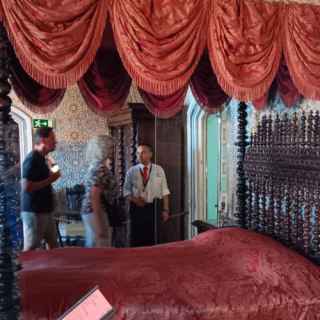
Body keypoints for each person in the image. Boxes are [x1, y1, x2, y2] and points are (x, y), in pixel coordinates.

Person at [21, 128, 61, 251]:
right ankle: (22, 270)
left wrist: (53, 163)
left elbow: (57, 173)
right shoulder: (32, 158)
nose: (56, 142)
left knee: (53, 246)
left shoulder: (44, 158)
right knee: (31, 248)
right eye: (53, 138)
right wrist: (50, 180)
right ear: (43, 140)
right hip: (34, 212)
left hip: (46, 210)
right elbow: (26, 186)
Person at [123, 143, 170, 247]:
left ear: (150, 154)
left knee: (152, 237)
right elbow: (126, 192)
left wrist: (166, 210)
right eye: (138, 153)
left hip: (153, 207)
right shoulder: (131, 171)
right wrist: (135, 200)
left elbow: (165, 191)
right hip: (137, 208)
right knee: (137, 238)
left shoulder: (159, 170)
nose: (139, 155)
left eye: (143, 152)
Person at [80, 135, 118, 248]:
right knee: (101, 246)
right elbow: (94, 196)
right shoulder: (100, 169)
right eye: (111, 147)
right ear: (103, 149)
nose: (113, 150)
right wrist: (99, 224)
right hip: (96, 212)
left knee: (95, 245)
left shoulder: (95, 165)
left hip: (92, 211)